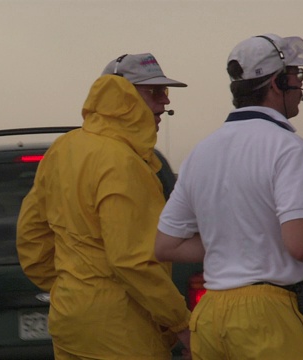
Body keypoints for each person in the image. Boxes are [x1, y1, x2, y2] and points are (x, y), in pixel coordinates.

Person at [154, 34, 303, 359]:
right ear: (277, 83)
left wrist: (235, 238)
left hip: (210, 316)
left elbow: (165, 246)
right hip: (269, 318)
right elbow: (301, 245)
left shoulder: (201, 152)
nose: (300, 86)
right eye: (296, 75)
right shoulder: (287, 146)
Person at [17, 53, 192, 359]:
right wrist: (181, 323)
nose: (165, 101)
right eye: (154, 92)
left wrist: (75, 286)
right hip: (122, 329)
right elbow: (131, 260)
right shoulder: (123, 162)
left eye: (166, 92)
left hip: (71, 321)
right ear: (122, 95)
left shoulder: (64, 148)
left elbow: (31, 239)